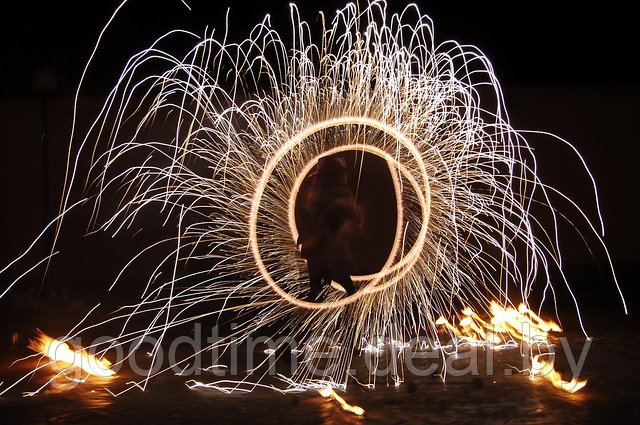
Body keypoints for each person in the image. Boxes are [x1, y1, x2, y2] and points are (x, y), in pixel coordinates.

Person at [296, 155, 364, 301]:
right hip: (317, 234)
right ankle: (315, 291)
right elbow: (309, 208)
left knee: (333, 265)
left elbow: (346, 209)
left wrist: (344, 217)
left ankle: (351, 293)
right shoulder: (315, 185)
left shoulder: (338, 188)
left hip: (330, 236)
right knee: (316, 265)